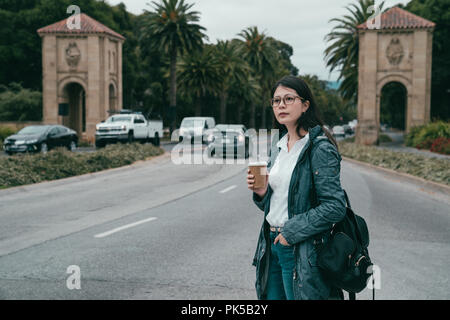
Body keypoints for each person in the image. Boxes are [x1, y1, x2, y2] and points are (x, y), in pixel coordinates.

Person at [247, 75, 347, 300]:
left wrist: (290, 233)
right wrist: (262, 193)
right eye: (276, 101)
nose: (281, 105)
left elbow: (334, 206)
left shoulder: (319, 148)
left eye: (288, 98)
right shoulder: (279, 146)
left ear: (305, 105)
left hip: (299, 250)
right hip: (271, 247)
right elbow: (281, 202)